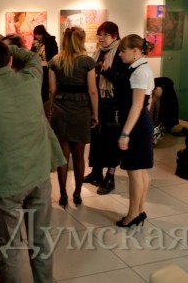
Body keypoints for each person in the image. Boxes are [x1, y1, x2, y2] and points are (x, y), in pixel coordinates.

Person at [0, 40, 65, 283]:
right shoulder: (31, 79)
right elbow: (32, 58)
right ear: (10, 60)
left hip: (7, 182)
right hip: (39, 173)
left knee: (9, 246)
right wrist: (8, 49)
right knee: (40, 238)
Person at [46, 26, 98, 208]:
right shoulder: (88, 62)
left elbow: (52, 90)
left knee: (63, 155)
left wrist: (51, 111)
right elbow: (92, 91)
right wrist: (95, 113)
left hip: (61, 109)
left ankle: (63, 194)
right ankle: (77, 193)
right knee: (79, 155)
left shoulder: (55, 61)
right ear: (80, 41)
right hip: (81, 109)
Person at [115, 34, 155, 228]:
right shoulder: (142, 68)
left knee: (135, 172)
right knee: (141, 171)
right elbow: (148, 102)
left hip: (137, 125)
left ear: (135, 51)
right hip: (141, 123)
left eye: (123, 51)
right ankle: (139, 210)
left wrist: (125, 133)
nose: (120, 54)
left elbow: (137, 105)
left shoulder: (139, 72)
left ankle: (132, 214)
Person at [84, 21, 128, 195]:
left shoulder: (120, 53)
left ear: (115, 36)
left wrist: (105, 71)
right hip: (98, 103)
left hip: (113, 104)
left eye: (105, 35)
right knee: (96, 138)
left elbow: (123, 80)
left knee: (111, 141)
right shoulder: (99, 52)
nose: (101, 38)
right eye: (99, 34)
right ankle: (96, 172)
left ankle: (110, 177)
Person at [31, 24, 59, 102]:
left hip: (47, 67)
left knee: (46, 87)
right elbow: (32, 55)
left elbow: (54, 54)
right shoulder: (36, 43)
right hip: (37, 68)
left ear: (43, 34)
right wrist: (33, 46)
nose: (37, 36)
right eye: (36, 34)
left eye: (39, 34)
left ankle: (47, 103)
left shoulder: (51, 41)